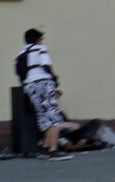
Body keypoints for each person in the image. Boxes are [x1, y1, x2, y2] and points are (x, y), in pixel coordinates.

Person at [15, 28, 80, 156]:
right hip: (44, 83)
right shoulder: (41, 49)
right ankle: (53, 150)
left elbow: (20, 74)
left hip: (30, 86)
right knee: (53, 115)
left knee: (43, 117)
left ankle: (45, 146)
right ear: (38, 40)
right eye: (41, 39)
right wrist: (55, 80)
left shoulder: (20, 54)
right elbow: (46, 66)